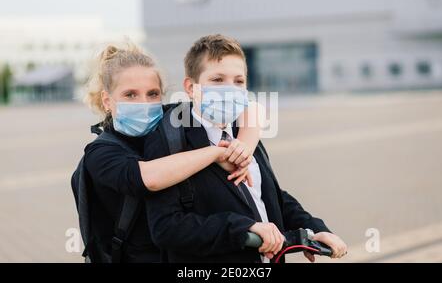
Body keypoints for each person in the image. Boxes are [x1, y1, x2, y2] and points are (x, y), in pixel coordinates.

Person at [146, 34, 348, 263]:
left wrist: (313, 229)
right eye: (217, 80)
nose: (230, 89)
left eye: (238, 81)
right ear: (191, 88)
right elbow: (166, 228)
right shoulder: (169, 142)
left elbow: (269, 195)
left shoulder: (246, 134)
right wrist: (244, 228)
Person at [79, 43, 262, 262]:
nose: (144, 103)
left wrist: (243, 147)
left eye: (153, 94)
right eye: (130, 95)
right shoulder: (100, 152)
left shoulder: (169, 119)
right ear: (108, 101)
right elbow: (149, 177)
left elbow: (252, 108)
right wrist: (216, 154)